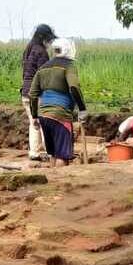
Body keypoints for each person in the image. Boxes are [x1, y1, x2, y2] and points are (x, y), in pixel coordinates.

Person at [28, 38, 86, 167]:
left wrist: (35, 116)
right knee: (63, 156)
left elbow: (32, 94)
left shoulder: (42, 68)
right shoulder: (69, 66)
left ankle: (52, 181)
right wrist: (82, 109)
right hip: (61, 116)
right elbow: (74, 87)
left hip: (44, 116)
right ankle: (62, 183)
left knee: (53, 154)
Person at [21, 24, 57, 161]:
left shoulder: (29, 48)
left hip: (26, 92)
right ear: (43, 37)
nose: (49, 42)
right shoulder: (41, 52)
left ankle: (34, 153)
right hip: (37, 93)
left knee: (34, 122)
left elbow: (26, 73)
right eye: (48, 38)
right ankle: (50, 152)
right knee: (44, 122)